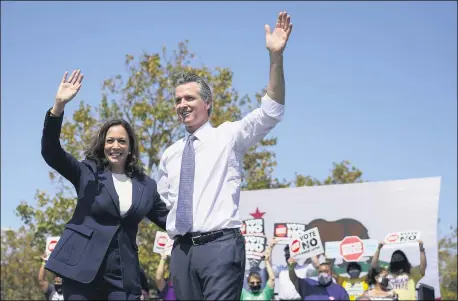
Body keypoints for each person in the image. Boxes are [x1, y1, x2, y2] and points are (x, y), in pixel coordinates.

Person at [157, 11, 293, 300]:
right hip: (181, 252)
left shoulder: (228, 136)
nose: (182, 104)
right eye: (178, 99)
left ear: (207, 103)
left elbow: (272, 111)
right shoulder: (169, 155)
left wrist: (275, 57)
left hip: (220, 248)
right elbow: (165, 204)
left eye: (189, 98)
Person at [42, 69, 169, 300]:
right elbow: (51, 151)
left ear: (130, 147)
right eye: (110, 140)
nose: (115, 146)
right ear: (103, 145)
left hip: (123, 276)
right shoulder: (87, 172)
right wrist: (58, 107)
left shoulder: (146, 186)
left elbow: (170, 221)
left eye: (122, 141)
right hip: (81, 270)